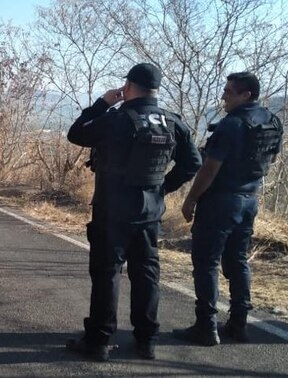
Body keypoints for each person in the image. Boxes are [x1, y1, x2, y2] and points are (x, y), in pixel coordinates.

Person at [66, 63, 202, 361]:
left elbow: (76, 133)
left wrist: (102, 103)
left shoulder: (116, 119)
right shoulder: (171, 122)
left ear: (127, 87)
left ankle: (99, 342)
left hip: (112, 212)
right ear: (156, 90)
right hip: (150, 212)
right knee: (146, 275)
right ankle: (146, 341)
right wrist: (162, 188)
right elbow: (193, 162)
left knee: (107, 275)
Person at [174, 72, 283, 346]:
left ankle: (206, 326)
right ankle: (238, 324)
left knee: (206, 262)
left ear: (246, 95)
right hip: (249, 199)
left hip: (221, 201)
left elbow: (210, 169)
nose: (224, 95)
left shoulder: (232, 124)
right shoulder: (271, 121)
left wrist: (191, 200)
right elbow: (270, 157)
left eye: (229, 91)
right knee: (238, 259)